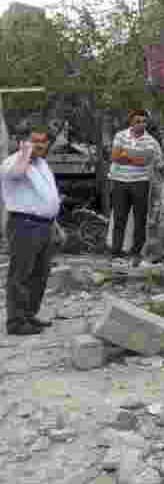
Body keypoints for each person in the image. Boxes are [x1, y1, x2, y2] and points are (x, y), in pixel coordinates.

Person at [1, 122, 61, 335]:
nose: (39, 146)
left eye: (42, 142)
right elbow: (17, 174)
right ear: (23, 142)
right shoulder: (13, 162)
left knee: (40, 274)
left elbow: (47, 197)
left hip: (44, 226)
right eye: (34, 141)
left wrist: (55, 224)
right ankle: (16, 321)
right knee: (21, 274)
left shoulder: (43, 165)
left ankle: (29, 315)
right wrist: (25, 152)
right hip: (24, 225)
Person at [109, 109, 163, 264]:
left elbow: (158, 163)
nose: (141, 124)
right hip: (119, 181)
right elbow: (115, 157)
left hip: (141, 182)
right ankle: (116, 253)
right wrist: (139, 159)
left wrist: (126, 155)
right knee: (119, 217)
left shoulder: (151, 142)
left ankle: (136, 252)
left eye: (143, 121)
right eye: (137, 121)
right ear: (131, 122)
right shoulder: (120, 136)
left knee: (140, 219)